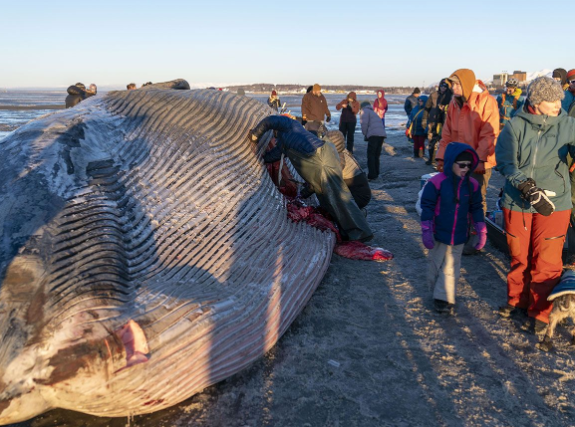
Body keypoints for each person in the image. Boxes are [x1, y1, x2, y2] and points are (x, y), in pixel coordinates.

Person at [495, 76, 575, 333]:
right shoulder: (514, 126)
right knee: (519, 256)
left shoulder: (567, 125)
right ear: (536, 102)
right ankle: (517, 300)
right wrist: (526, 186)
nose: (557, 105)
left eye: (559, 100)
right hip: (518, 200)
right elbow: (505, 162)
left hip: (556, 201)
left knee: (547, 259)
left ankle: (540, 312)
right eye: (552, 101)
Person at [249, 115, 373, 242]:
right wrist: (260, 159)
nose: (273, 136)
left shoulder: (289, 124)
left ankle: (361, 233)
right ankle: (345, 231)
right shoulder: (283, 143)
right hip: (319, 163)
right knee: (327, 202)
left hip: (321, 159)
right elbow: (274, 155)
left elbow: (270, 120)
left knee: (338, 199)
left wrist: (254, 136)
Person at [421, 143, 485, 314]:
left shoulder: (472, 185)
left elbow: (476, 207)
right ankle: (435, 288)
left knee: (451, 266)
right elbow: (426, 206)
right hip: (438, 233)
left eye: (469, 165)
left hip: (459, 234)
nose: (466, 168)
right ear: (451, 163)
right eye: (461, 165)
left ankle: (443, 297)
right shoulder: (436, 183)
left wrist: (481, 228)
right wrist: (427, 229)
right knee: (435, 265)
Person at [435, 69, 500, 216]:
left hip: (479, 162)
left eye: (457, 84)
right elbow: (447, 133)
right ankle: (460, 228)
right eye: (452, 84)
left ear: (466, 84)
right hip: (458, 160)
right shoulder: (453, 103)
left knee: (476, 197)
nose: (453, 88)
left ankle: (477, 230)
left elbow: (489, 133)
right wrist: (441, 157)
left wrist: (480, 159)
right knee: (457, 195)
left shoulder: (486, 101)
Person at [325, 130, 371, 210]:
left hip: (359, 195)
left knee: (336, 205)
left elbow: (333, 175)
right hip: (361, 191)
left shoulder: (339, 158)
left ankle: (359, 214)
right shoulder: (342, 151)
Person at [422, 79, 452, 165]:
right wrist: (424, 120)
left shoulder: (450, 96)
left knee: (444, 141)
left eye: (445, 86)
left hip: (445, 123)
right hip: (433, 122)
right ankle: (431, 158)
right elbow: (427, 108)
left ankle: (442, 159)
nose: (443, 88)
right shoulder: (433, 95)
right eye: (442, 86)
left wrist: (445, 109)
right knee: (431, 141)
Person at [360, 101, 387, 180]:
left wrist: (365, 134)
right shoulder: (373, 112)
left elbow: (364, 124)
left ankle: (372, 175)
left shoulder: (364, 111)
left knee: (371, 155)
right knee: (376, 155)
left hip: (374, 135)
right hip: (381, 135)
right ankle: (376, 172)